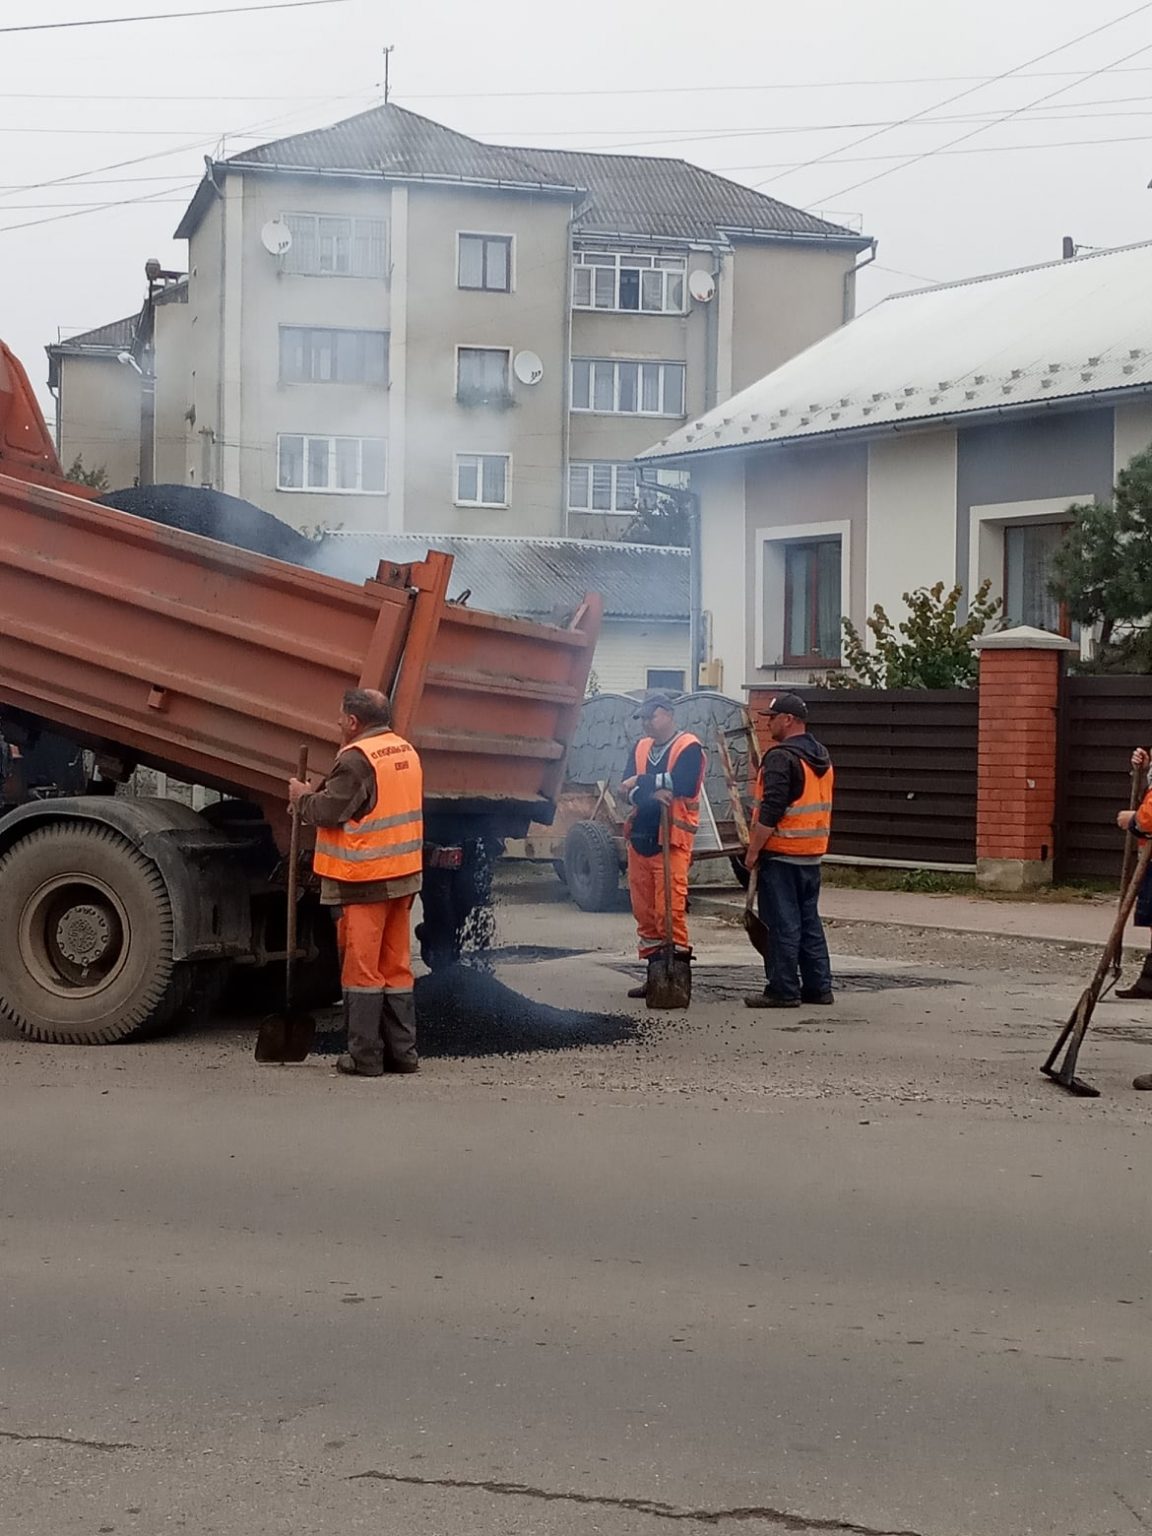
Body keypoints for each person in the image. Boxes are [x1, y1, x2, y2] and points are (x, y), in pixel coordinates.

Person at [289, 688, 423, 1078]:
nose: (337, 723)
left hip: (363, 881)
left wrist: (301, 798)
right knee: (396, 968)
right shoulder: (404, 751)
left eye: (340, 717)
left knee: (361, 971)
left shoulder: (356, 759)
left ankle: (364, 1057)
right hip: (402, 878)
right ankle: (403, 1054)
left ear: (353, 721)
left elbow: (331, 811)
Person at [743, 693, 834, 1009]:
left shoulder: (781, 757)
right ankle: (819, 988)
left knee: (782, 924)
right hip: (811, 853)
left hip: (781, 853)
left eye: (773, 717)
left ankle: (783, 989)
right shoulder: (819, 754)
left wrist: (753, 852)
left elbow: (771, 810)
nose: (768, 723)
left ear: (789, 720)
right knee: (809, 922)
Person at [620, 692, 706, 1000]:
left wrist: (642, 781)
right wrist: (650, 790)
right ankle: (654, 976)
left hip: (671, 841)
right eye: (642, 718)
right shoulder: (641, 747)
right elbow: (624, 788)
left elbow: (684, 783)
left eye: (650, 717)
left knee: (669, 912)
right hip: (641, 840)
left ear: (668, 714)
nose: (645, 724)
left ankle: (675, 978)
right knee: (645, 914)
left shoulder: (689, 746)